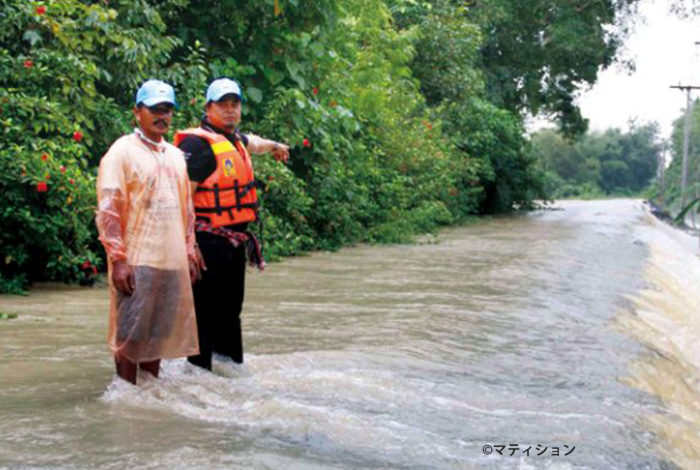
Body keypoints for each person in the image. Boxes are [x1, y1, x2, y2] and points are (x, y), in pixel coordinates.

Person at [174, 78, 289, 371]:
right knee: (205, 314)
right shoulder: (197, 145)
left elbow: (256, 143)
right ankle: (198, 378)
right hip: (206, 242)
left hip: (234, 242)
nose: (229, 110)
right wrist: (189, 247)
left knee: (230, 312)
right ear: (208, 108)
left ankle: (230, 376)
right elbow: (181, 200)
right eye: (222, 105)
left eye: (234, 105)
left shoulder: (235, 139)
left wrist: (276, 146)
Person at [96, 79, 200, 384]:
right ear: (137, 112)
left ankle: (148, 395)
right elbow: (109, 208)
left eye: (167, 109)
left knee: (158, 336)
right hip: (137, 261)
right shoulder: (122, 152)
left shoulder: (175, 155)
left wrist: (189, 251)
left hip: (170, 261)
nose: (162, 115)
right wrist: (119, 259)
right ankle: (126, 395)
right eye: (155, 109)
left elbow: (187, 210)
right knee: (130, 336)